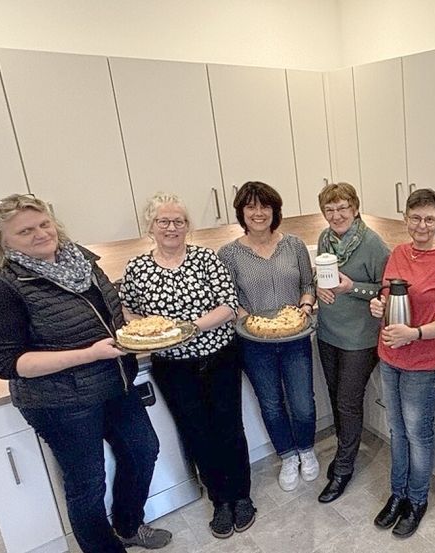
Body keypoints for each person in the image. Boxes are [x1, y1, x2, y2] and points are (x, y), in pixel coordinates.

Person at [0, 194, 170, 552]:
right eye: (25, 231)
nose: (40, 234)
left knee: (143, 451)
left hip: (115, 382)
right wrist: (88, 354)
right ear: (2, 240)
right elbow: (8, 364)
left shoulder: (81, 261)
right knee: (87, 484)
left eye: (44, 223)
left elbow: (110, 313)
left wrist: (140, 331)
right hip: (61, 402)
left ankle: (127, 525)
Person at [119, 193, 255, 539]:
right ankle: (220, 501)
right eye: (163, 221)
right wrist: (148, 333)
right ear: (150, 226)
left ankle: (241, 497)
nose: (171, 227)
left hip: (219, 356)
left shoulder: (206, 258)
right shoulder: (137, 268)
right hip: (173, 367)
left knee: (229, 429)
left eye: (178, 221)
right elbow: (129, 311)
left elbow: (228, 304)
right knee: (197, 433)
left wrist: (191, 328)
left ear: (187, 226)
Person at [368, 188, 435, 538]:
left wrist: (416, 333)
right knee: (396, 431)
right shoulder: (398, 252)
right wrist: (378, 306)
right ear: (406, 218)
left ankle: (416, 500)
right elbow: (387, 291)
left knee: (418, 434)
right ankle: (397, 495)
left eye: (429, 218)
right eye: (415, 218)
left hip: (425, 360)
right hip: (390, 355)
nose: (422, 225)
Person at [218, 181, 319, 492]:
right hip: (254, 344)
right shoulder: (229, 254)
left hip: (295, 337)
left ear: (275, 210)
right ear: (241, 212)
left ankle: (306, 450)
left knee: (302, 402)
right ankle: (288, 456)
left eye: (265, 206)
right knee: (272, 404)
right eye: (251, 207)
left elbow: (309, 284)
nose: (258, 213)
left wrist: (305, 304)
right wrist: (248, 318)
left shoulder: (294, 245)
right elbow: (227, 297)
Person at [314, 182, 390, 503]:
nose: (336, 215)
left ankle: (344, 466)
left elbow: (386, 291)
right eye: (329, 210)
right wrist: (319, 288)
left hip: (360, 338)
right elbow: (321, 278)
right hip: (328, 331)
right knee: (335, 396)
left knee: (347, 401)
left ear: (355, 208)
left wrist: (352, 288)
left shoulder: (373, 245)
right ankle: (344, 452)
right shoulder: (324, 239)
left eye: (343, 208)